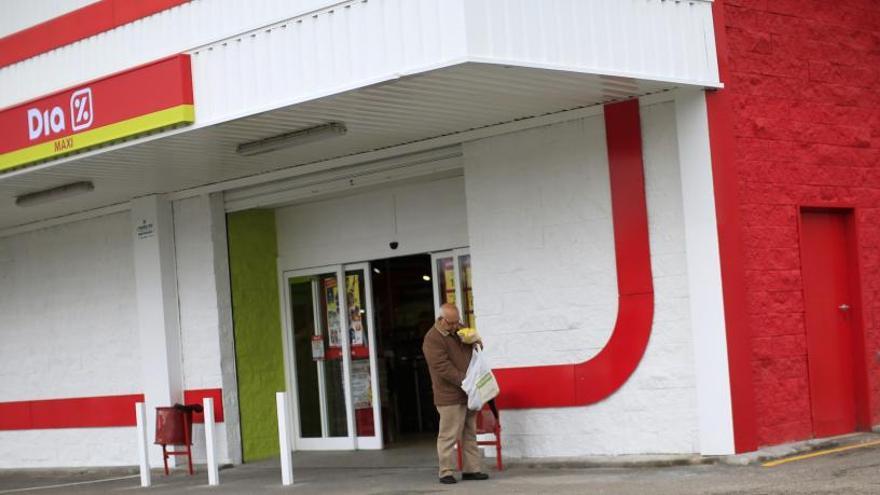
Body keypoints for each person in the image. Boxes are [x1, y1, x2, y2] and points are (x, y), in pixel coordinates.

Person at [421, 303, 489, 484]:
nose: (454, 326)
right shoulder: (432, 339)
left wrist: (475, 340)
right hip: (449, 394)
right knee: (449, 434)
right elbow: (442, 367)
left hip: (468, 392)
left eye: (456, 322)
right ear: (440, 320)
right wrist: (465, 380)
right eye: (450, 323)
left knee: (469, 431)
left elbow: (473, 347)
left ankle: (471, 469)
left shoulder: (458, 329)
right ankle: (446, 471)